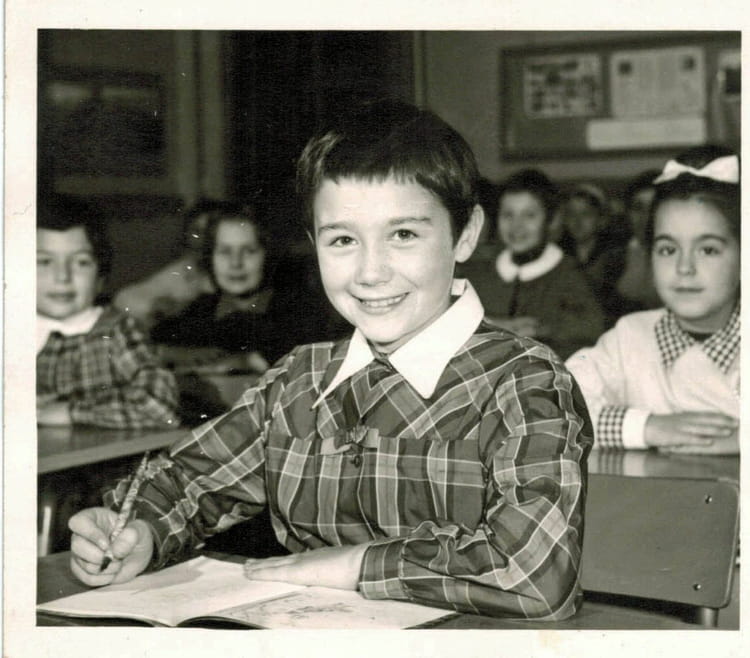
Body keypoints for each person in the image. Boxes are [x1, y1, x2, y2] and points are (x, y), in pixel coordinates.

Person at [68, 100, 593, 620]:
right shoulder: (299, 380)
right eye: (342, 239)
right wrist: (141, 530)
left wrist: (356, 565)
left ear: (467, 234)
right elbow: (186, 482)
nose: (370, 272)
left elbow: (535, 575)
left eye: (403, 235)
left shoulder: (524, 381)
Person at [566, 146, 739, 453]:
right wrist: (646, 427)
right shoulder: (629, 338)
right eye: (668, 249)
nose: (684, 268)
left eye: (708, 249)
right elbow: (552, 406)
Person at [37, 196, 180, 429]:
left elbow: (160, 407)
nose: (62, 276)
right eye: (44, 262)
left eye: (81, 262)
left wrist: (73, 412)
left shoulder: (117, 332)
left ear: (100, 277)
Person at [150, 203, 322, 375]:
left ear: (269, 255)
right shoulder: (202, 308)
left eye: (249, 251)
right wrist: (172, 353)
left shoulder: (298, 312)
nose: (235, 263)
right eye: (225, 252)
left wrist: (248, 361)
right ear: (210, 257)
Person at [462, 169, 604, 359]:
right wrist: (494, 324)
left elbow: (592, 327)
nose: (516, 226)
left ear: (550, 220)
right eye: (508, 215)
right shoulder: (480, 270)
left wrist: (543, 329)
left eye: (529, 215)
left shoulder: (570, 274)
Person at [112, 199, 218, 331]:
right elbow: (124, 299)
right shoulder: (185, 269)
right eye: (196, 232)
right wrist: (155, 306)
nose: (203, 240)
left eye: (211, 233)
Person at [559, 183, 627, 326]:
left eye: (586, 214)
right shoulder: (559, 255)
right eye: (571, 214)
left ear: (602, 220)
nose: (577, 221)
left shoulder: (614, 256)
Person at [614, 170, 662, 313]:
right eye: (638, 208)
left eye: (653, 208)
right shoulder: (613, 259)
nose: (646, 217)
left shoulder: (684, 257)